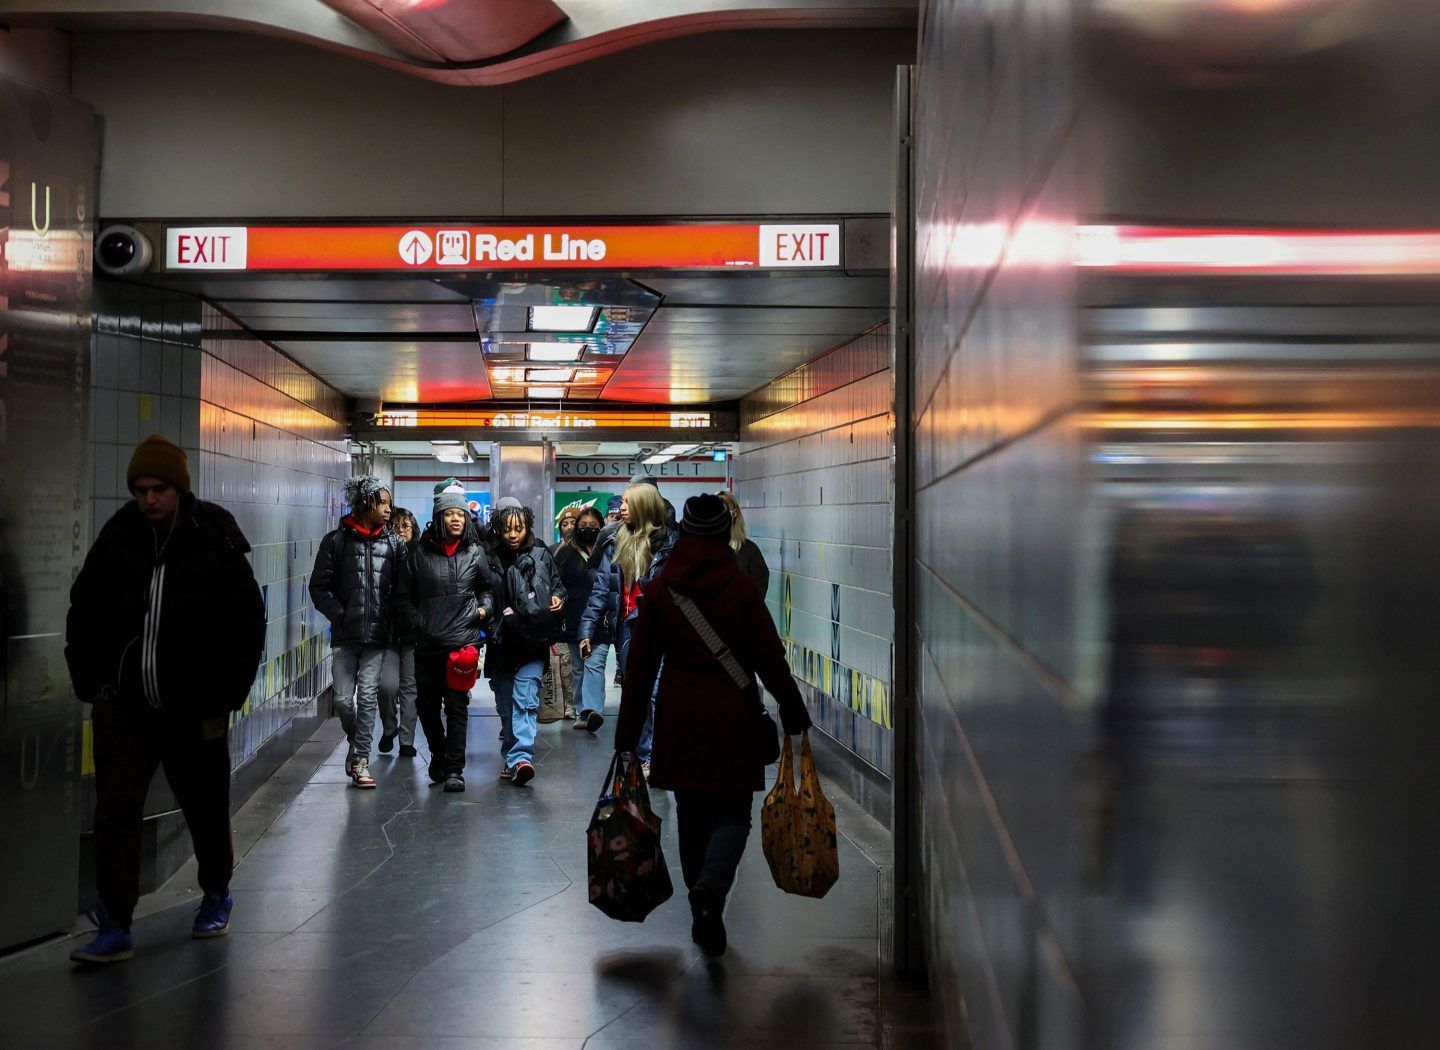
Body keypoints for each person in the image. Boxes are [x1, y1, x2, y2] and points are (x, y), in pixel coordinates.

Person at [64, 434, 265, 963]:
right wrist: (93, 683)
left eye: (159, 489)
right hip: (125, 707)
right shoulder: (119, 538)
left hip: (193, 708)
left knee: (203, 806)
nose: (149, 499)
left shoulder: (213, 538)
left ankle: (216, 892)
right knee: (116, 812)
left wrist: (223, 695)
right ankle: (115, 922)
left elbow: (246, 622)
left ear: (179, 488)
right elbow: (82, 610)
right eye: (140, 489)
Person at [616, 493, 812, 957]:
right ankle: (712, 892)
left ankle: (698, 899)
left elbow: (640, 671)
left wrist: (626, 739)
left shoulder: (663, 590)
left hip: (680, 717)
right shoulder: (741, 588)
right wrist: (792, 710)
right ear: (725, 533)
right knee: (733, 815)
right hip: (732, 716)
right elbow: (770, 658)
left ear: (684, 532)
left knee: (690, 814)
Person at [393, 488, 494, 792]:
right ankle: (438, 751)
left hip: (463, 641)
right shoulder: (418, 554)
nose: (456, 519)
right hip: (427, 644)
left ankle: (454, 768)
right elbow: (402, 598)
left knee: (456, 705)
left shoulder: (475, 553)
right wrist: (419, 623)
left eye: (460, 514)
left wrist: (483, 610)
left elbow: (487, 589)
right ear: (438, 518)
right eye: (450, 514)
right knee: (425, 706)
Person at [309, 476, 405, 789]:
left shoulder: (394, 544)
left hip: (378, 635)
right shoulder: (335, 541)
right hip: (344, 635)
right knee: (342, 700)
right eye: (383, 503)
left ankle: (361, 759)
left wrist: (391, 617)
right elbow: (319, 587)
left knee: (366, 698)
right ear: (365, 504)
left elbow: (404, 589)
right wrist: (341, 614)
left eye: (389, 503)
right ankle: (356, 738)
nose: (389, 509)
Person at [579, 481, 676, 776]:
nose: (621, 508)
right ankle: (644, 751)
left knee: (659, 692)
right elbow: (600, 591)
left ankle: (658, 753)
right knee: (639, 694)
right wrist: (587, 629)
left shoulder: (671, 544)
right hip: (626, 631)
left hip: (661, 630)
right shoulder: (614, 542)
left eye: (628, 503)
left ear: (645, 506)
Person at [484, 502, 566, 787]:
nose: (513, 534)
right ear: (498, 529)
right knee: (507, 706)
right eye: (506, 529)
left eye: (518, 528)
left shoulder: (542, 556)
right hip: (502, 644)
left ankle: (522, 758)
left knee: (526, 700)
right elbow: (483, 594)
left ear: (528, 527)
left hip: (533, 640)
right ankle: (511, 756)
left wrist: (558, 597)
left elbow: (557, 586)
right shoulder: (488, 558)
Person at [555, 505, 608, 732]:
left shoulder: (608, 550)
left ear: (601, 527)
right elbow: (556, 584)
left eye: (593, 526)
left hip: (601, 617)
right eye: (583, 526)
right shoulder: (564, 553)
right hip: (574, 617)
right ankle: (580, 709)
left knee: (595, 664)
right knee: (578, 667)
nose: (587, 529)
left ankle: (592, 711)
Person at [379, 506, 421, 758]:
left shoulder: (420, 555)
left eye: (406, 526)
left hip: (414, 632)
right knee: (386, 686)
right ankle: (389, 727)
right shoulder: (382, 554)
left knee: (410, 688)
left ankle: (407, 740)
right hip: (387, 630)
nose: (401, 531)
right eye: (396, 525)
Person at [715, 489, 769, 597]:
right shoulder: (700, 549)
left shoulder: (749, 550)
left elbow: (760, 583)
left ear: (735, 514)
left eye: (725, 510)